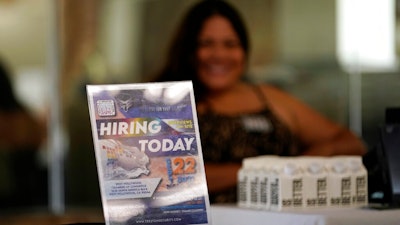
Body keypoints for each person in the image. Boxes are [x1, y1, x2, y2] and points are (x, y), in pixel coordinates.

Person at [149, 0, 366, 203]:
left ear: (244, 51)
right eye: (206, 43)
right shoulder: (163, 102)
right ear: (188, 50)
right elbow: (153, 177)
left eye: (230, 44)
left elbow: (351, 143)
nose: (219, 54)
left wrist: (305, 162)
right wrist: (266, 170)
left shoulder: (269, 97)